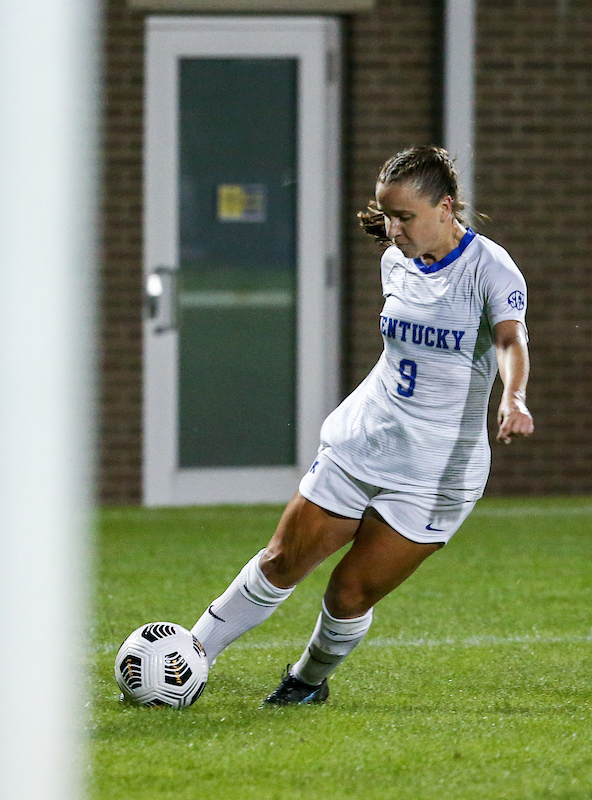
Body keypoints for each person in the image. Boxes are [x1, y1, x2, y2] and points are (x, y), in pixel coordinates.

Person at [189, 145, 535, 705]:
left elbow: (509, 340)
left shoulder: (491, 268)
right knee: (281, 560)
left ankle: (305, 682)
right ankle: (189, 659)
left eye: (405, 217)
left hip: (435, 474)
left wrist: (514, 397)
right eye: (387, 216)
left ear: (446, 208)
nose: (392, 230)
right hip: (363, 441)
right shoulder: (395, 260)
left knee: (349, 592)